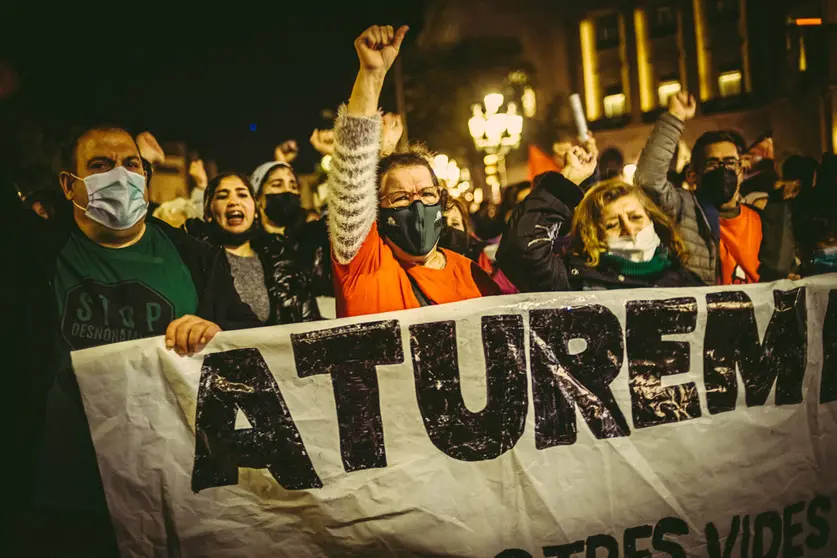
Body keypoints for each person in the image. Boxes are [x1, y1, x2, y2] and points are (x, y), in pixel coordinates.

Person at [10, 125, 261, 556]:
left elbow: (248, 343)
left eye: (131, 164)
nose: (120, 176)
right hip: (64, 498)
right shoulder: (33, 255)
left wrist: (215, 334)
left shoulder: (196, 258)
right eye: (100, 165)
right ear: (70, 186)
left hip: (171, 492)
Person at [328, 24, 500, 318]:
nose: (417, 204)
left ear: (442, 200)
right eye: (400, 198)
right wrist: (371, 76)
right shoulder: (363, 264)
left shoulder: (471, 274)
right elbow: (352, 169)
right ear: (376, 211)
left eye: (427, 193)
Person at [634, 91, 795, 285]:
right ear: (693, 177)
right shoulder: (683, 210)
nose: (723, 170)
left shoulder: (760, 219)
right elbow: (648, 178)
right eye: (712, 164)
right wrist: (674, 117)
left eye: (729, 162)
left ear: (741, 172)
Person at [185, 172, 321, 324]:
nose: (233, 202)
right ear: (208, 213)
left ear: (256, 211)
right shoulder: (194, 262)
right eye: (222, 196)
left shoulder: (282, 261)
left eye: (242, 195)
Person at [497, 142, 598, 292]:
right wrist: (570, 176)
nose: (627, 229)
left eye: (636, 217)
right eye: (612, 224)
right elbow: (525, 251)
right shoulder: (579, 277)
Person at [250, 159, 333, 298]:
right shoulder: (249, 248)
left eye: (293, 186)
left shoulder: (311, 239)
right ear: (257, 198)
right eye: (277, 185)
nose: (287, 191)